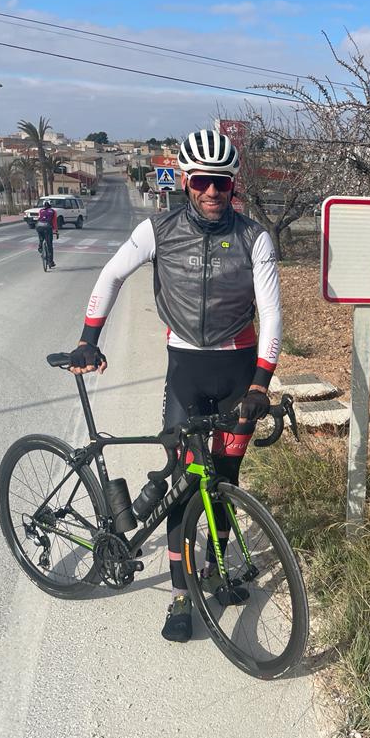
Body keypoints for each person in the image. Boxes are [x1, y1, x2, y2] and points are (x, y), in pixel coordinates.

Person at [67, 129, 282, 642]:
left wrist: (260, 385)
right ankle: (181, 595)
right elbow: (111, 275)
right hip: (185, 369)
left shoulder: (254, 237)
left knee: (225, 478)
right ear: (186, 181)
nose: (212, 191)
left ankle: (216, 569)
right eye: (203, 181)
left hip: (237, 369)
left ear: (233, 185)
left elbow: (272, 315)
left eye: (221, 183)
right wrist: (88, 339)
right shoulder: (157, 230)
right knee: (185, 484)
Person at [35, 200, 58, 268]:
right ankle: (50, 262)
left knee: (41, 238)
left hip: (39, 226)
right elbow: (54, 222)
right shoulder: (53, 211)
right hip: (48, 227)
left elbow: (39, 218)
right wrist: (56, 231)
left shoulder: (41, 211)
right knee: (49, 245)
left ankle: (40, 246)